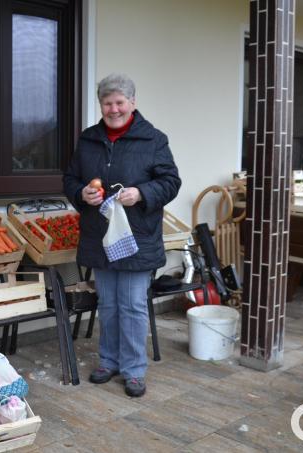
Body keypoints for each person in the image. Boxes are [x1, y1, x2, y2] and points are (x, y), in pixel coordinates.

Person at [63, 73, 181, 397]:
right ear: (100, 104)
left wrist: (142, 193)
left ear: (132, 102)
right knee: (109, 304)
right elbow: (70, 178)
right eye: (107, 102)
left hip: (136, 237)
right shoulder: (88, 139)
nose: (113, 109)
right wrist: (81, 193)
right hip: (100, 235)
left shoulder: (153, 139)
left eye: (119, 102)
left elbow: (171, 181)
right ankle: (109, 361)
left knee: (131, 304)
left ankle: (133, 369)